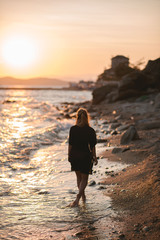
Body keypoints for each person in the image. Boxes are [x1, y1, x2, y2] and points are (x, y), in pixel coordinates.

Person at [68, 108, 98, 207]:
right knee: (84, 179)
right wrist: (95, 157)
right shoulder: (90, 130)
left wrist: (69, 156)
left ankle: (82, 197)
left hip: (74, 156)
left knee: (79, 178)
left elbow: (70, 144)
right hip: (85, 156)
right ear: (87, 117)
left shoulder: (73, 129)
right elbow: (93, 146)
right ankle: (78, 198)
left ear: (77, 117)